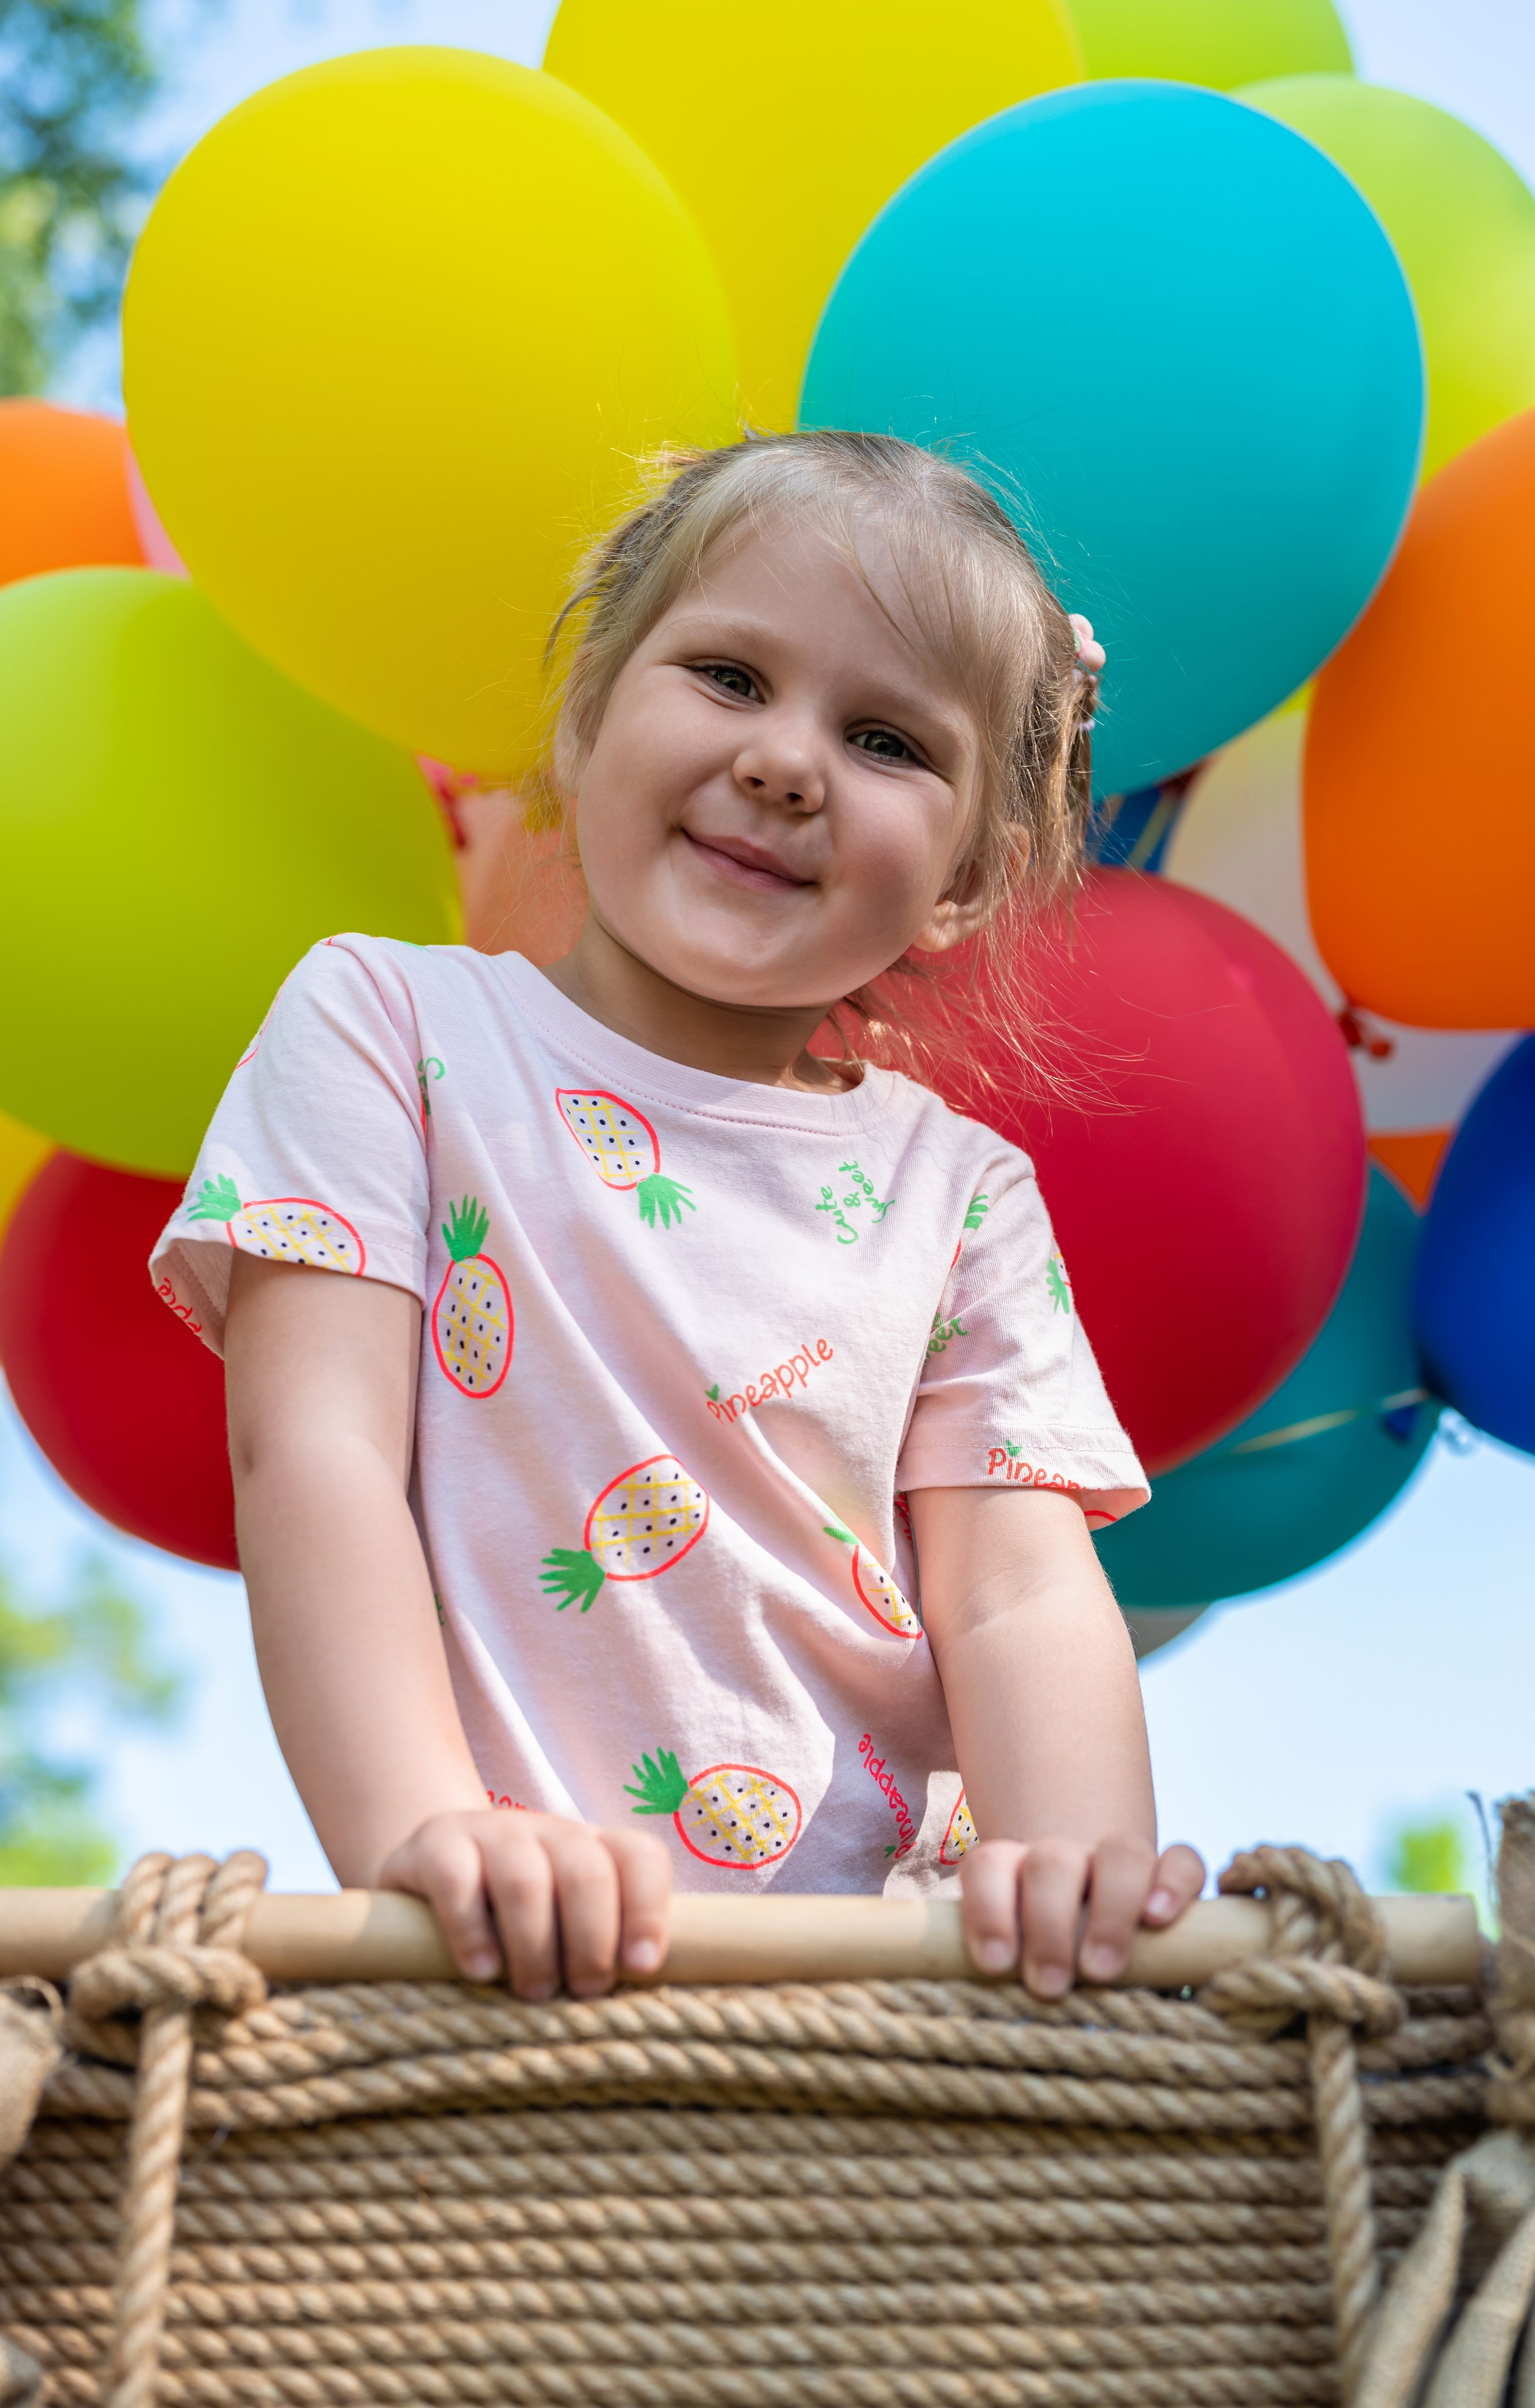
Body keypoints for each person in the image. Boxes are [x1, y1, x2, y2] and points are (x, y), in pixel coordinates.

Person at [151, 430, 1204, 2006]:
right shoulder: (389, 1027)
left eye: (884, 740)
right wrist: (426, 1830)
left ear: (963, 883)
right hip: (503, 1960)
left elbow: (1015, 1588)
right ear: (585, 715)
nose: (784, 761)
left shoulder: (957, 1190)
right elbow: (316, 1453)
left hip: (892, 1992)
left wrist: (1082, 1885)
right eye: (727, 676)